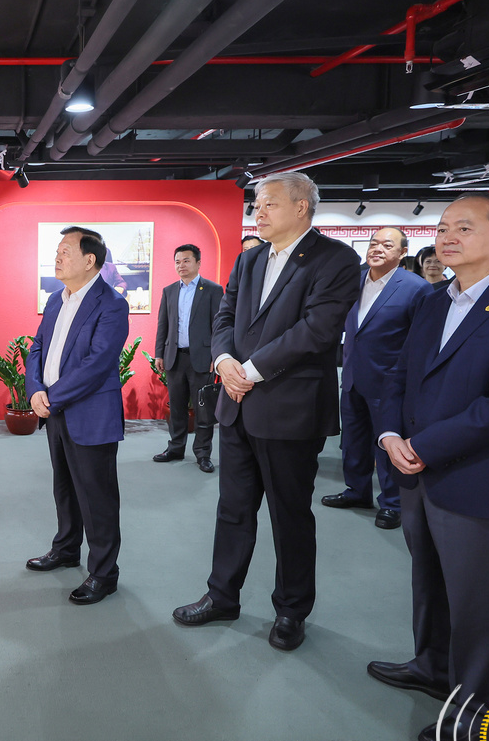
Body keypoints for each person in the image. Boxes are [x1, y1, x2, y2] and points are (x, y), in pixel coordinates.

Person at [369, 193, 489, 741]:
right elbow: (399, 375)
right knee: (429, 581)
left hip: (476, 476)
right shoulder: (433, 301)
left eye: (465, 227)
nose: (448, 237)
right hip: (415, 472)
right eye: (442, 227)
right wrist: (389, 434)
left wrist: (423, 447)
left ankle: (477, 714)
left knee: (478, 605)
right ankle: (432, 666)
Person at [172, 172, 360, 651]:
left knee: (289, 515)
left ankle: (291, 610)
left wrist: (250, 371)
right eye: (256, 204)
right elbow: (225, 316)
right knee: (233, 510)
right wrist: (223, 360)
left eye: (268, 203)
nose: (258, 212)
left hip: (289, 409)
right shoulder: (250, 258)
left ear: (301, 207)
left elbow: (317, 329)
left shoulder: (336, 259)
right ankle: (222, 596)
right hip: (236, 405)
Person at [24, 226, 129, 604]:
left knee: (97, 496)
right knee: (65, 487)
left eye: (65, 251)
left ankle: (103, 573)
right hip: (55, 411)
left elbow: (97, 364)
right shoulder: (56, 300)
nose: (57, 257)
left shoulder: (111, 305)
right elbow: (37, 347)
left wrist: (50, 397)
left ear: (90, 260)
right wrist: (34, 389)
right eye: (57, 251)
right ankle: (66, 549)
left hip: (90, 414)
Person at [323, 227, 432, 529]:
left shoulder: (417, 288)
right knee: (353, 441)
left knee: (387, 444)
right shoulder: (353, 282)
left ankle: (392, 503)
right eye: (374, 243)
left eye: (387, 244)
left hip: (390, 383)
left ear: (402, 253)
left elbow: (422, 341)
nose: (378, 248)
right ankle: (356, 492)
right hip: (352, 376)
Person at [152, 243, 222, 472]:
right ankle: (175, 448)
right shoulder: (169, 291)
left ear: (198, 263)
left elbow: (219, 326)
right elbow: (163, 324)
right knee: (177, 408)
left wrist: (217, 355)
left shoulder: (212, 290)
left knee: (203, 410)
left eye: (186, 260)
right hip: (175, 358)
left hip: (202, 359)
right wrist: (159, 353)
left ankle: (203, 454)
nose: (181, 265)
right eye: (177, 261)